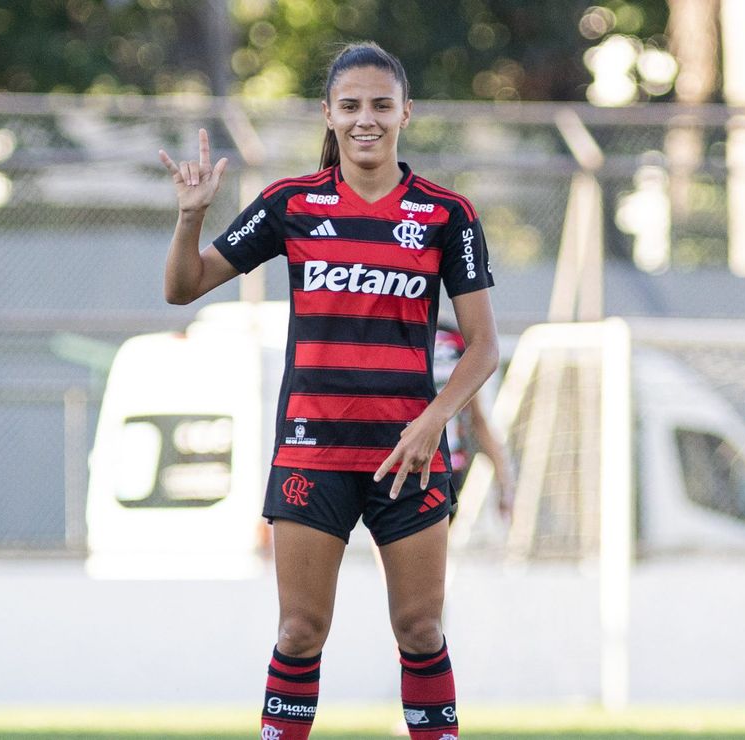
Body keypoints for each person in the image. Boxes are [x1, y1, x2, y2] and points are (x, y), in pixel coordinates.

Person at [158, 42, 497, 740]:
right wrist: (191, 214)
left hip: (407, 457)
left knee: (422, 628)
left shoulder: (445, 214)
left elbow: (483, 347)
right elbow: (182, 288)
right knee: (301, 631)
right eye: (351, 106)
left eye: (380, 104)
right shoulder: (292, 204)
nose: (365, 119)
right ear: (329, 114)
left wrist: (434, 420)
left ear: (406, 111)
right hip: (313, 454)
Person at [433, 316, 513, 520]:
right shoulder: (454, 338)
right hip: (442, 467)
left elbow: (477, 417)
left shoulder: (455, 339)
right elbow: (479, 419)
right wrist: (504, 480)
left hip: (439, 468)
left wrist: (503, 479)